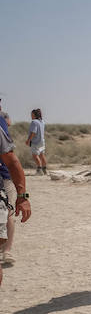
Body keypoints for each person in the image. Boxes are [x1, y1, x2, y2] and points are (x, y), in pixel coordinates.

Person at [0, 120, 32, 286]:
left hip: (4, 180)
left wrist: (23, 196)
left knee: (9, 215)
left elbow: (12, 162)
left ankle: (7, 250)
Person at [25, 109, 47, 175]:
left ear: (34, 115)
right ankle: (44, 170)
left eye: (31, 114)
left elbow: (33, 132)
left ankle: (39, 170)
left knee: (35, 155)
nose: (31, 116)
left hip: (35, 141)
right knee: (42, 155)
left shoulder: (34, 122)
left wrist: (28, 140)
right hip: (42, 141)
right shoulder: (42, 121)